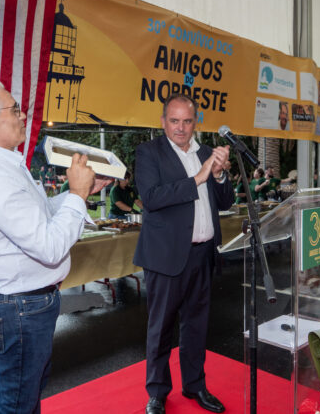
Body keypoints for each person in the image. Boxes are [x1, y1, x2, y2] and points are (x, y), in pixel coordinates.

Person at [0, 77, 110, 414]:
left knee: (27, 392)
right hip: (19, 307)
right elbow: (50, 247)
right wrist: (77, 193)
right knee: (18, 403)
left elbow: (39, 214)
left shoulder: (2, 165)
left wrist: (79, 193)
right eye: (14, 109)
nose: (23, 115)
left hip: (21, 304)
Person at [134, 93, 234, 414]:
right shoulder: (149, 152)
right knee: (161, 328)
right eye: (174, 120)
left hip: (203, 253)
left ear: (195, 123)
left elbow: (226, 201)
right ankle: (157, 392)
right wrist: (200, 176)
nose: (180, 127)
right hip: (165, 256)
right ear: (163, 121)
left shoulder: (205, 153)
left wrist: (218, 175)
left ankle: (195, 385)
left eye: (187, 121)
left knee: (196, 325)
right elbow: (152, 197)